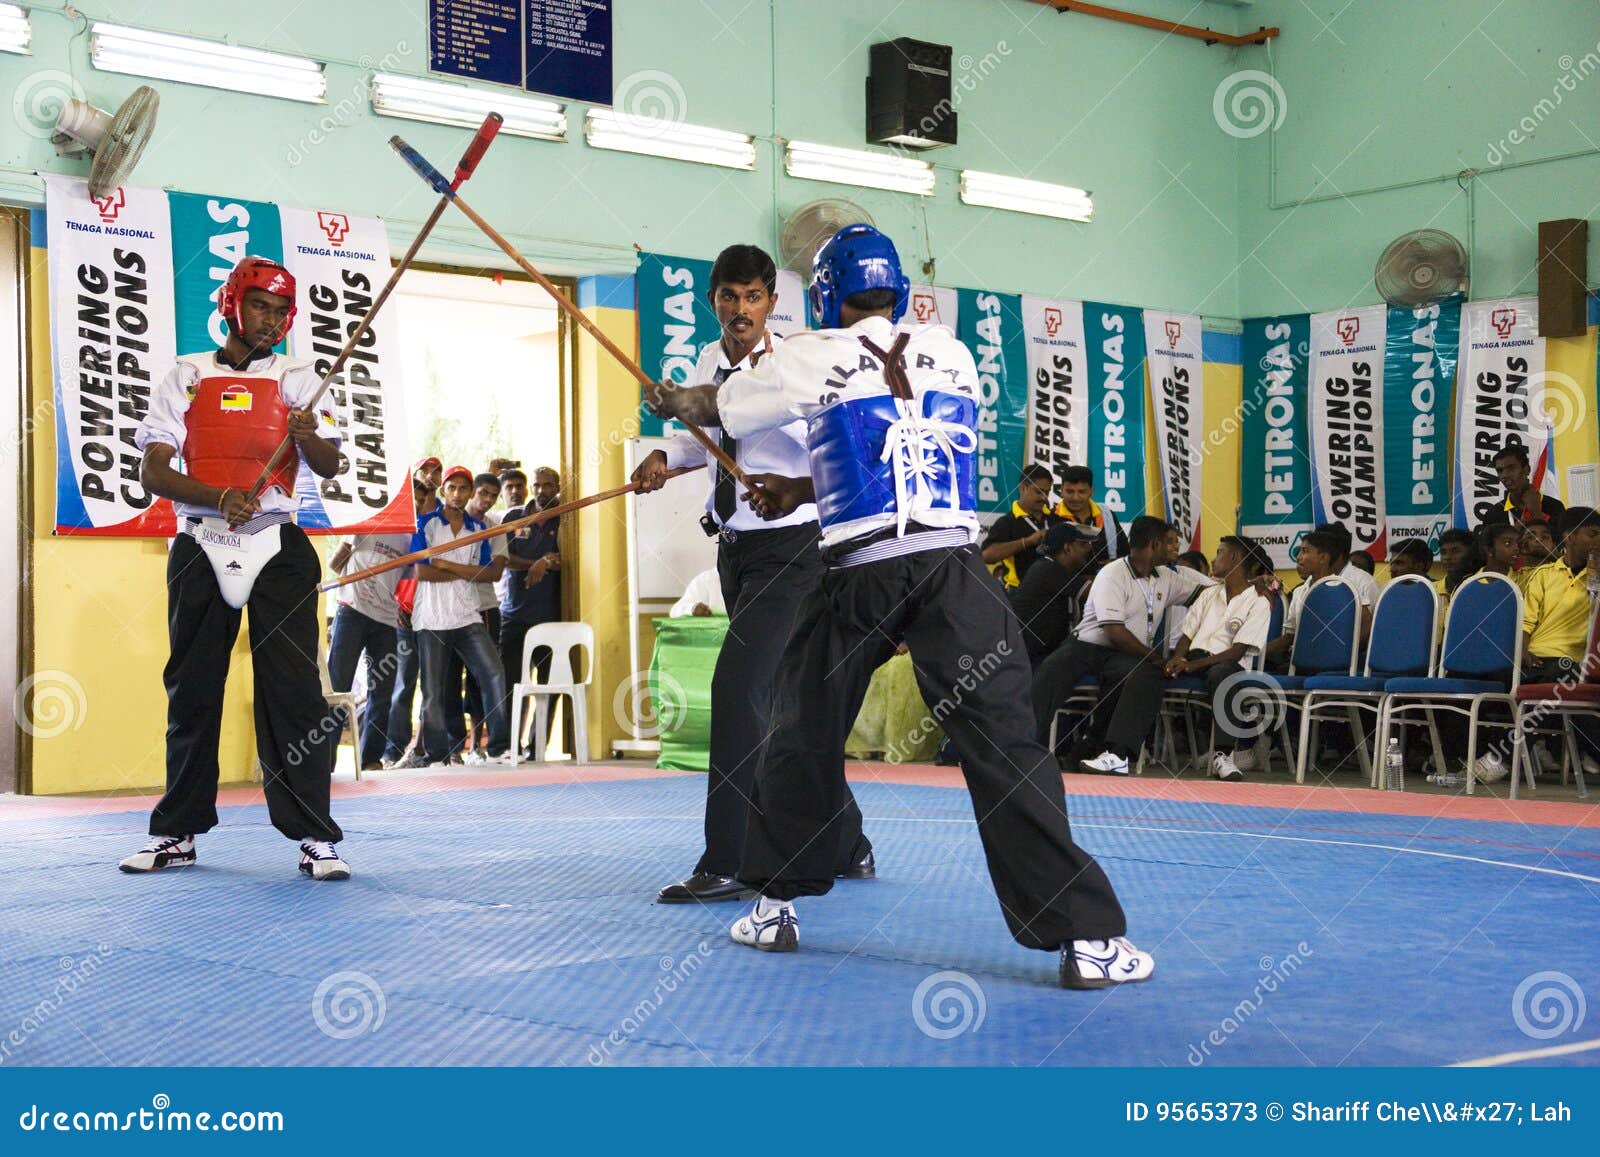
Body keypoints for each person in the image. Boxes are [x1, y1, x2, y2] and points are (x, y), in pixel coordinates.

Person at [645, 224, 1151, 987]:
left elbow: (719, 404)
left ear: (821, 294)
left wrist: (673, 399)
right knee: (1007, 747)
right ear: (899, 289)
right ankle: (1089, 940)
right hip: (955, 572)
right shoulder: (952, 353)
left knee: (802, 728)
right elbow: (899, 455)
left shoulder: (808, 353)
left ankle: (774, 903)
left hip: (858, 576)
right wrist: (804, 487)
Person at [635, 243, 874, 905]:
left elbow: (842, 459)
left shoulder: (795, 366)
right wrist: (665, 456)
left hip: (794, 551)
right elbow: (698, 440)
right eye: (728, 296)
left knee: (739, 691)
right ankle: (848, 839)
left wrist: (794, 487)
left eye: (753, 297)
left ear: (772, 302)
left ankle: (732, 861)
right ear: (712, 299)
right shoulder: (709, 365)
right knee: (783, 703)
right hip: (736, 553)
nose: (740, 309)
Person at [119, 255, 350, 881]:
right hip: (201, 541)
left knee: (295, 692)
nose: (271, 321)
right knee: (192, 686)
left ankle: (315, 839)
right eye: (259, 307)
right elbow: (152, 471)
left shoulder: (299, 376)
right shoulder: (187, 375)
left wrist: (306, 435)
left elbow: (330, 464)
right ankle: (177, 832)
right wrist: (217, 497)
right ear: (232, 305)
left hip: (277, 543)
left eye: (281, 312)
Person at [1030, 515, 1213, 777]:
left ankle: (1114, 754)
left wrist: (1255, 586)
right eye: (1167, 543)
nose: (1173, 548)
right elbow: (1114, 632)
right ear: (1153, 545)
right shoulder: (1112, 574)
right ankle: (1017, 748)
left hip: (1123, 655)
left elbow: (1211, 593)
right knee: (1048, 676)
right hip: (1086, 646)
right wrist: (1154, 656)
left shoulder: (1166, 578)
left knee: (1147, 676)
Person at [394, 465, 511, 768]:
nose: (458, 494)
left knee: (494, 673)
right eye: (452, 488)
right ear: (444, 491)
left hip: (466, 616)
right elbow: (422, 571)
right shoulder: (426, 524)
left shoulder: (477, 530)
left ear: (469, 493)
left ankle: (499, 749)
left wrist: (448, 565)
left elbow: (488, 574)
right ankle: (437, 755)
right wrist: (461, 573)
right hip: (431, 618)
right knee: (433, 690)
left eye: (464, 488)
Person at [1164, 535, 1275, 782]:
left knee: (1222, 675)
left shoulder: (1258, 601)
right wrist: (1178, 658)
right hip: (1194, 659)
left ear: (1235, 558)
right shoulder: (1209, 594)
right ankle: (1120, 751)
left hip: (1228, 665)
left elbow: (1237, 651)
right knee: (1148, 671)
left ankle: (1223, 756)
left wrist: (1191, 665)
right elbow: (1187, 634)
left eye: (1219, 553)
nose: (1213, 559)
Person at [327, 527, 412, 772]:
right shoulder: (365, 523)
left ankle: (371, 759)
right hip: (352, 610)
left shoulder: (410, 538)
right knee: (338, 687)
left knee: (382, 689)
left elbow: (404, 579)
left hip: (386, 619)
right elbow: (335, 564)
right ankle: (325, 760)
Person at [500, 465, 563, 758]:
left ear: (557, 486)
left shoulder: (566, 517)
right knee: (512, 685)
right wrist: (537, 563)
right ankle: (512, 745)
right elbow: (505, 559)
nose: (541, 491)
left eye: (547, 485)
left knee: (550, 685)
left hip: (549, 617)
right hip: (514, 616)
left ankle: (537, 748)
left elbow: (568, 556)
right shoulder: (514, 518)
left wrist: (548, 561)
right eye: (537, 485)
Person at [383, 456, 442, 765]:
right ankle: (392, 750)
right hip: (404, 613)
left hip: (434, 615)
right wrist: (396, 604)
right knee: (403, 682)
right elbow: (393, 569)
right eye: (425, 471)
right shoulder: (399, 521)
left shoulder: (444, 519)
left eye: (437, 471)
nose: (431, 476)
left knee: (432, 684)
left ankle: (424, 750)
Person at [447, 472, 508, 762]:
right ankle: (453, 747)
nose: (486, 500)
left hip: (483, 609)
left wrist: (448, 567)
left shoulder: (494, 527)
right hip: (447, 610)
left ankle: (482, 746)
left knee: (482, 678)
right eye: (482, 493)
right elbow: (426, 568)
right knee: (448, 680)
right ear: (473, 492)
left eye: (492, 496)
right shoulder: (447, 523)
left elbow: (495, 573)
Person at [1010, 521, 1100, 664]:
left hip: (1039, 654)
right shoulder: (1049, 570)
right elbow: (1097, 592)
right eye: (1083, 544)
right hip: (1034, 660)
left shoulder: (1049, 566)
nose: (1089, 548)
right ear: (1067, 548)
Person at [1264, 529, 1342, 666]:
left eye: (1305, 551)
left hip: (1331, 659)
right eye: (1299, 551)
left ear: (1323, 558)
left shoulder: (1344, 589)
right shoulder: (1300, 591)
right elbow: (1290, 635)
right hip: (1300, 658)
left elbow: (1363, 626)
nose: (1298, 557)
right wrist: (1259, 652)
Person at [981, 463, 1060, 589]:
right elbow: (987, 556)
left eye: (1047, 492)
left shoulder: (1054, 519)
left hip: (1052, 591)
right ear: (1023, 488)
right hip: (1018, 592)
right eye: (1038, 492)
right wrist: (1028, 541)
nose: (1044, 497)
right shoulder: (1007, 522)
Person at [1055, 464, 1127, 563]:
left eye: (1082, 492)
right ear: (1061, 491)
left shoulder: (1106, 514)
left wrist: (1112, 565)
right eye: (1070, 491)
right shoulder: (1052, 517)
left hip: (1107, 577)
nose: (1076, 497)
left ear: (1091, 491)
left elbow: (1125, 552)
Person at [1484, 442, 1565, 530]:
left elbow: (1560, 542)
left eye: (1511, 468)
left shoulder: (1554, 507)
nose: (1504, 475)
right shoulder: (1493, 514)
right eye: (1500, 471)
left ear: (1527, 470)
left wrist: (1536, 513)